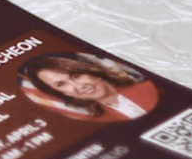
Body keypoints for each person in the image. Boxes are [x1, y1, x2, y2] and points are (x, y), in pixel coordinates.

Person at [18, 52, 157, 122]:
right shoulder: (98, 121)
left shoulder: (150, 88)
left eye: (76, 75)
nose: (79, 86)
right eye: (61, 84)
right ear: (64, 93)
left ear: (93, 72)